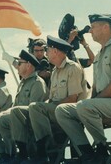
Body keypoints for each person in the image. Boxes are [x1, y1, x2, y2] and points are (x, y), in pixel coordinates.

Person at [55, 14, 111, 164]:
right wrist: (90, 103)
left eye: (93, 27)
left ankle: (102, 148)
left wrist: (91, 103)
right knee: (62, 110)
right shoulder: (99, 55)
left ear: (105, 27)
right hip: (102, 104)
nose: (90, 31)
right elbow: (96, 89)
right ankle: (88, 153)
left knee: (84, 106)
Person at [24, 35, 88, 163]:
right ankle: (38, 153)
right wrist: (44, 106)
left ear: (55, 51)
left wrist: (43, 108)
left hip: (70, 112)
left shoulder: (73, 68)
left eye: (47, 49)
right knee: (29, 113)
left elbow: (72, 98)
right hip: (56, 111)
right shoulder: (55, 72)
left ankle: (43, 151)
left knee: (35, 108)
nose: (45, 53)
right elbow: (52, 99)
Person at [0, 50, 48, 164]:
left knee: (3, 120)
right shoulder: (23, 83)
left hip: (28, 122)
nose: (18, 65)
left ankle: (15, 154)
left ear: (28, 65)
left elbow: (34, 110)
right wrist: (2, 113)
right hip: (16, 118)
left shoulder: (37, 83)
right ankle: (4, 153)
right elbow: (15, 106)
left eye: (20, 63)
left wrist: (4, 115)